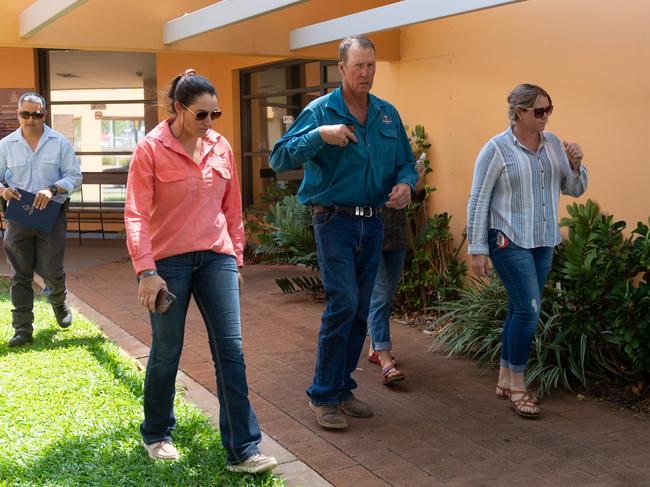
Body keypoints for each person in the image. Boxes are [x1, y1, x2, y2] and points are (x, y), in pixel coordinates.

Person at [124, 69, 277, 473]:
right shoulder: (150, 149)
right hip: (167, 264)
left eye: (216, 115)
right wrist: (146, 271)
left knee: (231, 351)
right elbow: (136, 214)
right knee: (167, 351)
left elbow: (232, 208)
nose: (210, 124)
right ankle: (157, 432)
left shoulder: (220, 146)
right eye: (202, 115)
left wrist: (236, 258)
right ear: (178, 109)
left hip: (216, 259)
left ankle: (244, 449)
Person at [270, 36, 418, 430]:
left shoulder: (387, 114)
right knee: (343, 304)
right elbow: (279, 156)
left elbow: (406, 162)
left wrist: (406, 185)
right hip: (334, 221)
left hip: (374, 221)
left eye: (371, 65)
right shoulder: (321, 111)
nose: (366, 73)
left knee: (359, 311)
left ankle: (342, 389)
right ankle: (322, 394)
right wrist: (320, 136)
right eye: (358, 66)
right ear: (341, 68)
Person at [467, 83, 588, 418]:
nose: (546, 117)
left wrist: (576, 164)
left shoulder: (552, 145)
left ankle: (506, 378)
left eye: (549, 109)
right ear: (518, 112)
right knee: (529, 310)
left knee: (518, 308)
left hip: (543, 240)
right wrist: (478, 249)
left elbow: (572, 189)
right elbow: (478, 200)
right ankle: (519, 385)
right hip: (508, 239)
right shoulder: (496, 149)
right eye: (539, 111)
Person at [0, 92, 81, 348]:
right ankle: (22, 329)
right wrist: (3, 190)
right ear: (18, 115)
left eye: (37, 115)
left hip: (51, 215)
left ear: (44, 115)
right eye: (26, 114)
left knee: (51, 270)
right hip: (19, 216)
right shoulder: (6, 145)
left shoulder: (59, 143)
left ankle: (58, 301)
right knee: (20, 274)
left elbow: (75, 177)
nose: (31, 119)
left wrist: (53, 189)